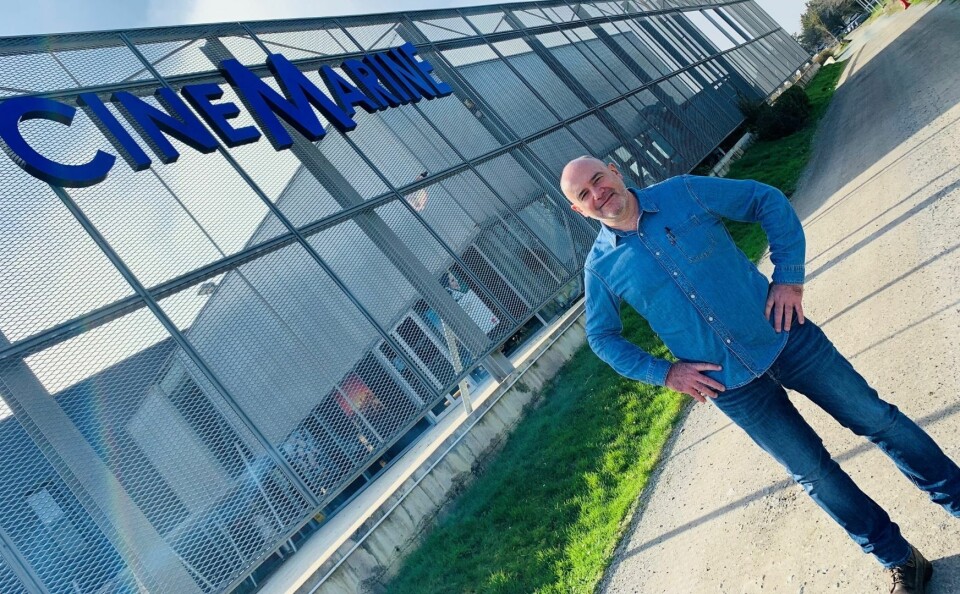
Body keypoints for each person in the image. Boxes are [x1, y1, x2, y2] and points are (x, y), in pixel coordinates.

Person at [558, 156, 960, 594]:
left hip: (786, 336)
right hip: (731, 387)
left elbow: (763, 199)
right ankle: (900, 559)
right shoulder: (600, 268)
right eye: (584, 195)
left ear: (615, 171)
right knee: (814, 473)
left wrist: (789, 278)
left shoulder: (683, 192)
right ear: (580, 211)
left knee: (877, 420)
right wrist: (666, 373)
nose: (598, 194)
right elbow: (602, 336)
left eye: (598, 179)